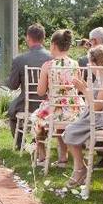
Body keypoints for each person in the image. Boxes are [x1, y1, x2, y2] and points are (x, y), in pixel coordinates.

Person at [30, 30, 81, 176]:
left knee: (37, 120)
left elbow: (40, 92)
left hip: (55, 108)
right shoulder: (75, 64)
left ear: (53, 45)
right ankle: (63, 158)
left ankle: (42, 155)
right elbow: (78, 87)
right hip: (73, 110)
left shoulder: (48, 65)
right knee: (60, 127)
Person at [63, 45, 103, 186]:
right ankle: (80, 167)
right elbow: (92, 100)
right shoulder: (99, 78)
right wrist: (85, 87)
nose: (88, 65)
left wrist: (84, 90)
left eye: (90, 62)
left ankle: (80, 169)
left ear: (97, 63)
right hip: (92, 115)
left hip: (100, 118)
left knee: (70, 131)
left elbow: (98, 106)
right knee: (69, 131)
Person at [7, 24, 52, 149]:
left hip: (27, 103)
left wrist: (7, 79)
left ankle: (20, 143)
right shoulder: (53, 58)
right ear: (43, 38)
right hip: (48, 103)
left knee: (12, 111)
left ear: (28, 38)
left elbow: (12, 85)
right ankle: (36, 141)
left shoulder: (19, 60)